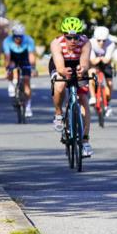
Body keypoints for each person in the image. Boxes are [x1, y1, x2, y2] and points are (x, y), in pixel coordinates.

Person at [49, 16, 93, 158]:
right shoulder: (56, 43)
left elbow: (85, 62)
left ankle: (85, 140)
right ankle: (58, 114)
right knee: (60, 85)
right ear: (64, 35)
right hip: (61, 63)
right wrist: (62, 72)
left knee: (83, 98)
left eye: (76, 37)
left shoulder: (86, 42)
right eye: (69, 38)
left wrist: (82, 69)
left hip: (77, 63)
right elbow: (60, 65)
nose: (73, 41)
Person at [2, 25, 37, 118]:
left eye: (20, 37)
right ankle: (11, 84)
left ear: (23, 36)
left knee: (26, 81)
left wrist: (33, 68)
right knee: (10, 69)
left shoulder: (29, 40)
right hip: (13, 58)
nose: (18, 39)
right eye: (16, 37)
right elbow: (7, 57)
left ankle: (28, 107)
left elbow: (31, 56)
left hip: (24, 58)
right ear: (13, 36)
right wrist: (7, 69)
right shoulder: (7, 41)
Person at [88, 26, 117, 117]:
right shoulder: (90, 43)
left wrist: (100, 59)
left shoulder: (111, 44)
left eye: (104, 40)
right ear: (95, 38)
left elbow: (107, 60)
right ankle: (93, 97)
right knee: (91, 74)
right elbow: (92, 61)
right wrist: (100, 59)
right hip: (94, 63)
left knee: (110, 83)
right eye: (99, 40)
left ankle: (108, 102)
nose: (101, 42)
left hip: (105, 63)